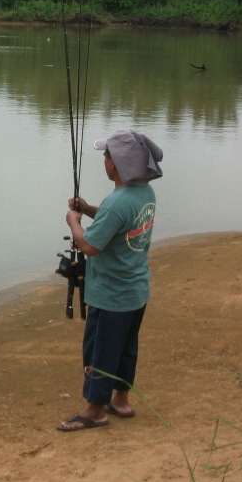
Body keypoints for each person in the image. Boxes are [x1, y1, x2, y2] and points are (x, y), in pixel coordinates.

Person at [56, 129, 163, 432]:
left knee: (100, 350)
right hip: (135, 291)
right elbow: (114, 221)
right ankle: (121, 400)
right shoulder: (143, 194)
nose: (104, 160)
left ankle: (95, 410)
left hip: (111, 295)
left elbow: (90, 245)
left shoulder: (118, 202)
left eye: (106, 155)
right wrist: (88, 209)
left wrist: (74, 222)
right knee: (126, 347)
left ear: (115, 164)